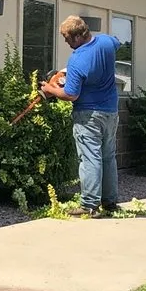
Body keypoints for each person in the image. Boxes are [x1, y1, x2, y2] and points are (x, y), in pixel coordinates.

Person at [39, 15, 120, 218]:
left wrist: (50, 88)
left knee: (90, 157)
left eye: (67, 39)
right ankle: (110, 202)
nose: (67, 44)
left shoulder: (78, 59)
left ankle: (90, 205)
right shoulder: (106, 42)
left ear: (76, 37)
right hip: (111, 111)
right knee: (108, 156)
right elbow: (118, 43)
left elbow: (70, 94)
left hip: (88, 115)